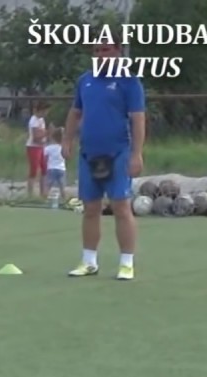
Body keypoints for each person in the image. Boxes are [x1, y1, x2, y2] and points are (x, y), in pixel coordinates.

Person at [63, 36, 146, 281]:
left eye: (106, 49)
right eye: (97, 50)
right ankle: (89, 261)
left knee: (121, 207)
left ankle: (126, 263)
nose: (101, 54)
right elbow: (75, 112)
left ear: (118, 51)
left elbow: (138, 119)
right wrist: (67, 140)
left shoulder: (129, 82)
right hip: (89, 153)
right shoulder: (85, 81)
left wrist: (136, 154)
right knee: (90, 208)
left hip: (118, 153)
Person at [25, 101, 49, 197]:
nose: (45, 113)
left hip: (41, 146)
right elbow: (36, 137)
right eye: (44, 111)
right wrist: (47, 133)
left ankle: (43, 192)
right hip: (33, 147)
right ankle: (30, 193)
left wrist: (45, 134)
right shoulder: (33, 120)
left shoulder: (41, 120)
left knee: (44, 168)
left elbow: (42, 134)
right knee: (34, 169)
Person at [43, 126, 68, 208]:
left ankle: (45, 200)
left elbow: (44, 156)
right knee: (62, 186)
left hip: (51, 168)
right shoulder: (63, 148)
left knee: (48, 185)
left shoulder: (49, 148)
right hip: (61, 168)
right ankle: (64, 201)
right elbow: (66, 156)